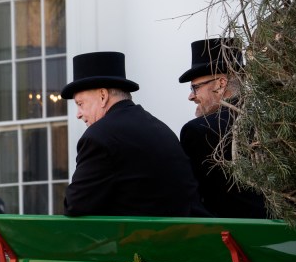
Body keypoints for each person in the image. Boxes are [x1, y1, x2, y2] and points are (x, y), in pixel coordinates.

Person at [61, 51, 204, 217]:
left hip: (145, 239)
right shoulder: (159, 127)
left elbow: (75, 205)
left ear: (102, 96)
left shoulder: (98, 137)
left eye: (80, 104)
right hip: (188, 234)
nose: (78, 114)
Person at [178, 38, 268, 218]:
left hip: (226, 238)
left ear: (220, 84)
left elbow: (189, 198)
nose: (191, 96)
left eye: (195, 87)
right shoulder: (266, 121)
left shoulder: (199, 130)